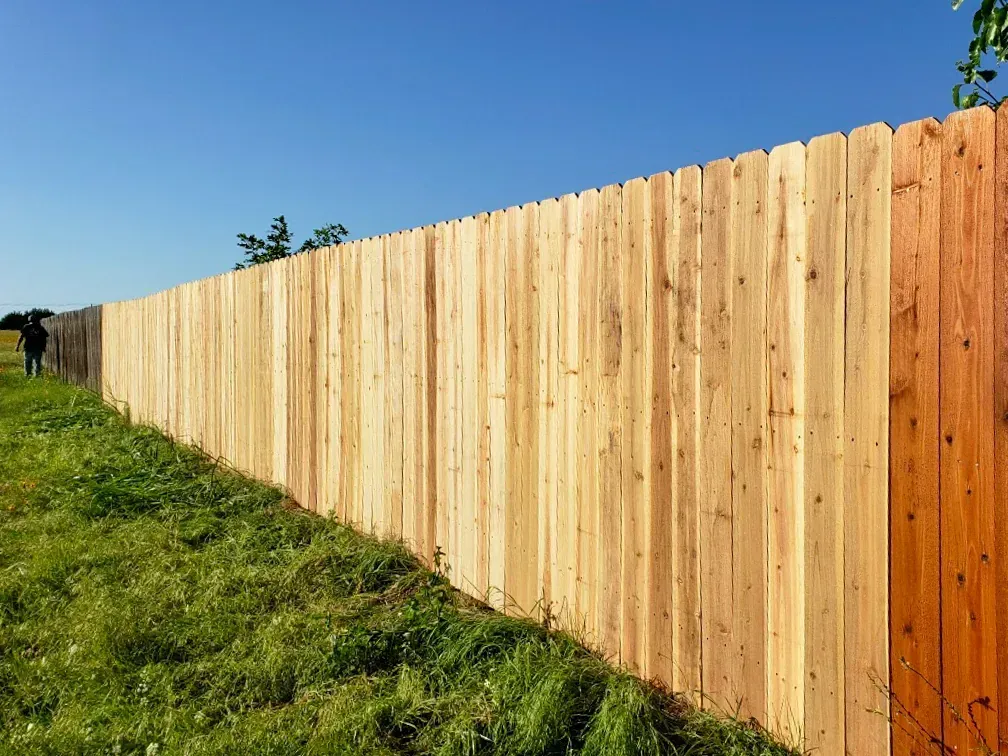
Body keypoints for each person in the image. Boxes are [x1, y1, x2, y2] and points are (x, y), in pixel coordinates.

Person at [15, 313, 49, 378]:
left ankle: (27, 375)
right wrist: (43, 347)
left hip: (28, 348)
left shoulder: (26, 327)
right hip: (38, 348)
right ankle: (37, 375)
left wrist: (17, 346)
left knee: (27, 362)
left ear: (29, 320)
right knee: (37, 363)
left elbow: (21, 337)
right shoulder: (40, 327)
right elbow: (44, 338)